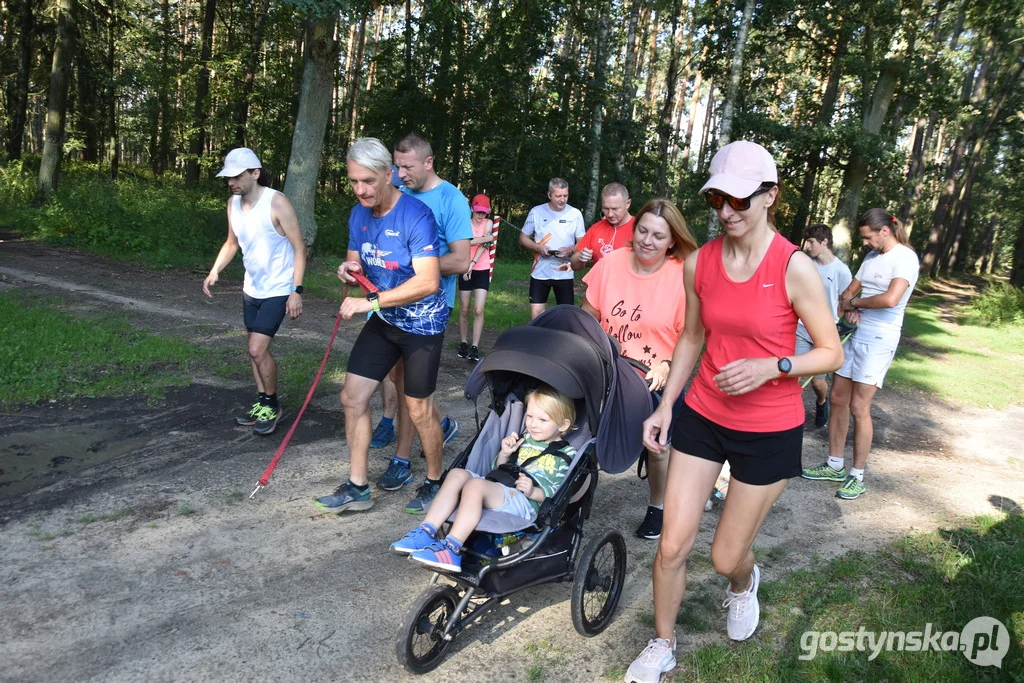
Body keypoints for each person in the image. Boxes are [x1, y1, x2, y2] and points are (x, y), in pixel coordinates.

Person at [624, 141, 843, 683]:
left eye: (739, 201)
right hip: (703, 414)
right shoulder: (699, 262)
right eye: (718, 199)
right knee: (673, 544)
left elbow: (831, 352)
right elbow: (692, 337)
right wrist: (667, 406)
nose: (726, 212)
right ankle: (663, 643)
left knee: (725, 557)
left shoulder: (795, 268)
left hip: (769, 430)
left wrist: (774, 366)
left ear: (770, 196)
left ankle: (744, 582)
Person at [314, 137, 448, 515]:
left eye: (369, 181)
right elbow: (355, 264)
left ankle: (436, 481)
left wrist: (368, 301)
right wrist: (347, 271)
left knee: (419, 409)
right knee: (352, 397)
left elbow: (428, 282)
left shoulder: (416, 216)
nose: (360, 190)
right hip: (385, 319)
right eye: (354, 181)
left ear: (389, 175)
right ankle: (358, 487)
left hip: (422, 325)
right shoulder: (358, 214)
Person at [581, 198, 697, 540]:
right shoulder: (612, 263)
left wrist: (667, 364)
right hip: (607, 367)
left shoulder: (682, 277)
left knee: (657, 447)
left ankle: (658, 506)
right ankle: (572, 498)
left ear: (673, 240)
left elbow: (690, 337)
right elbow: (587, 313)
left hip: (654, 375)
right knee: (582, 433)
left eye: (658, 236)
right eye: (642, 231)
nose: (647, 240)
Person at [389, 385, 576, 573]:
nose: (533, 424)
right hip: (502, 488)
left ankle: (452, 548)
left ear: (563, 425)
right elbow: (498, 469)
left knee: (476, 485)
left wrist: (535, 492)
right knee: (457, 474)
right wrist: (505, 453)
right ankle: (427, 532)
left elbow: (561, 492)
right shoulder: (524, 438)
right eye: (529, 416)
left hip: (526, 504)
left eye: (542, 420)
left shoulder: (564, 454)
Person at [380, 133, 472, 514]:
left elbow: (461, 260)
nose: (400, 175)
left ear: (429, 162)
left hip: (430, 308)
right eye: (396, 167)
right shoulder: (396, 191)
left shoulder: (451, 199)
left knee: (410, 389)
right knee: (399, 381)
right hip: (391, 303)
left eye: (408, 167)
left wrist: (415, 271)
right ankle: (440, 425)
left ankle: (403, 461)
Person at [802, 209, 919, 500]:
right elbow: (845, 296)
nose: (865, 243)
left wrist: (856, 303)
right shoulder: (870, 259)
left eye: (868, 237)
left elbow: (891, 299)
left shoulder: (905, 258)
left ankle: (857, 475)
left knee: (859, 406)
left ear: (884, 231)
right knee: (839, 399)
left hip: (880, 338)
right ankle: (834, 464)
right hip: (854, 335)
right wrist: (851, 305)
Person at [203, 147, 305, 436]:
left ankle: (272, 405)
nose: (231, 183)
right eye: (227, 178)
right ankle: (262, 404)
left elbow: (299, 247)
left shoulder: (277, 203)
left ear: (255, 173)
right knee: (254, 353)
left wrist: (296, 290)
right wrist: (215, 270)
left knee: (256, 348)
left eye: (236, 176)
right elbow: (232, 242)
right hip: (252, 288)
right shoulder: (232, 204)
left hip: (278, 288)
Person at [367, 165, 409, 451]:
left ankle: (435, 423)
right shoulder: (370, 209)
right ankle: (386, 421)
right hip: (378, 301)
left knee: (403, 377)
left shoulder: (413, 208)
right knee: (387, 372)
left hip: (414, 309)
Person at [797, 223, 853, 427]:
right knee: (793, 376)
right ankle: (789, 418)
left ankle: (822, 401)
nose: (808, 246)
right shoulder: (805, 264)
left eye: (811, 242)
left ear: (825, 241)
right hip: (801, 328)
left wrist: (837, 321)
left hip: (825, 332)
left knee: (817, 382)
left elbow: (844, 300)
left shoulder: (841, 270)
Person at [519, 178, 586, 319]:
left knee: (566, 315)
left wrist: (569, 250)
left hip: (564, 271)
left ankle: (562, 341)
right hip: (540, 271)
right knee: (537, 314)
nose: (562, 200)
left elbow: (582, 242)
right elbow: (523, 238)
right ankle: (538, 341)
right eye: (558, 196)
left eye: (565, 195)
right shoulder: (536, 212)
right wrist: (538, 247)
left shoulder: (575, 214)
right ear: (549, 194)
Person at [458, 194, 495, 363]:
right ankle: (463, 342)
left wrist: (472, 264)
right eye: (478, 212)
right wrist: (483, 239)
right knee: (465, 308)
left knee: (478, 309)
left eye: (484, 213)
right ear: (472, 209)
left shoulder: (488, 223)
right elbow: (463, 244)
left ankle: (475, 346)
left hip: (480, 267)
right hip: (464, 266)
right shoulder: (464, 222)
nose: (481, 216)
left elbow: (484, 245)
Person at [571, 182, 635, 271]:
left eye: (615, 209)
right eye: (606, 208)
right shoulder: (596, 228)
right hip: (598, 284)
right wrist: (580, 259)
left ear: (628, 203)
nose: (610, 214)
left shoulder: (639, 229)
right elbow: (574, 266)